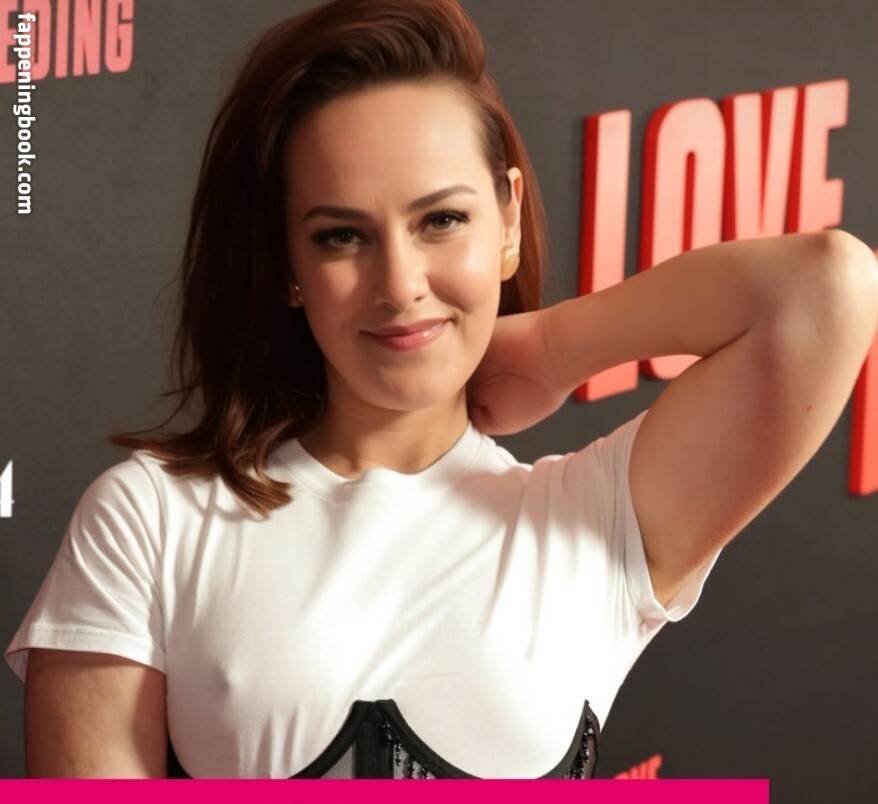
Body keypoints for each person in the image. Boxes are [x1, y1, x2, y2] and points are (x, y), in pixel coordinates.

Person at [5, 0, 877, 781]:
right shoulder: (151, 520)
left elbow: (828, 290)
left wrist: (551, 346)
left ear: (507, 217)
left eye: (442, 220)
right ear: (288, 264)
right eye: (343, 236)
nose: (400, 285)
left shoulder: (594, 519)